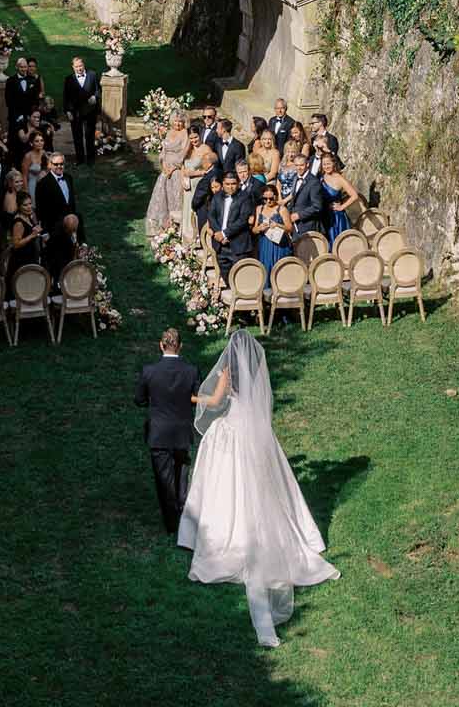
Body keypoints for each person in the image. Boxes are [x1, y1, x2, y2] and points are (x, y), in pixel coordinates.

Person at [179, 332, 339, 645]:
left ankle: (224, 530)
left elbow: (216, 400)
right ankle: (297, 534)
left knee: (223, 479)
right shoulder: (254, 371)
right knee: (265, 479)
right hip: (254, 431)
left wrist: (194, 398)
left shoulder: (227, 373)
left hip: (232, 428)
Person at [135, 328, 201, 536]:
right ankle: (183, 515)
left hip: (159, 433)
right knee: (181, 476)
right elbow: (197, 398)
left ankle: (172, 526)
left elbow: (139, 399)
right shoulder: (191, 371)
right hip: (182, 431)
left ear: (161, 345)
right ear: (180, 346)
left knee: (164, 481)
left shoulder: (149, 371)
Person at [35, 152, 83, 276]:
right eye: (56, 164)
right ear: (50, 165)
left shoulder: (68, 178)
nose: (59, 166)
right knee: (57, 259)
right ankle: (57, 284)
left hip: (70, 225)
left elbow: (71, 203)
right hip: (54, 228)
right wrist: (44, 232)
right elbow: (41, 210)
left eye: (61, 164)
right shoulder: (43, 184)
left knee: (72, 255)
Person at [145, 115, 190, 237]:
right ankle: (161, 224)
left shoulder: (185, 133)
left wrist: (173, 168)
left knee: (174, 196)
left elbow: (184, 153)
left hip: (176, 170)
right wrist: (164, 165)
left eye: (180, 121)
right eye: (176, 121)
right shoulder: (169, 132)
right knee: (162, 194)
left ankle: (175, 225)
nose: (178, 124)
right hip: (165, 168)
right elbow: (164, 150)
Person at [209, 171, 256, 277]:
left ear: (238, 183)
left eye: (233, 184)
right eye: (227, 184)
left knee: (241, 278)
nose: (230, 187)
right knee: (226, 277)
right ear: (223, 184)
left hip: (238, 246)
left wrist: (225, 233)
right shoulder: (217, 196)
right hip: (220, 246)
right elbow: (211, 216)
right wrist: (219, 234)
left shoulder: (245, 197)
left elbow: (242, 220)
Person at [255, 183, 291, 290]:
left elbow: (290, 228)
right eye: (265, 199)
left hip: (279, 245)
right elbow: (254, 229)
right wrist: (259, 228)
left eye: (271, 198)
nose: (268, 201)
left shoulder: (282, 209)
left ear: (275, 196)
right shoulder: (259, 209)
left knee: (279, 271)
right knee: (266, 269)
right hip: (264, 245)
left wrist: (278, 225)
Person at [321, 152, 358, 243]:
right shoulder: (321, 177)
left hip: (336, 218)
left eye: (328, 163)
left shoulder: (340, 179)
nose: (326, 166)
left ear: (334, 163)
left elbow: (354, 195)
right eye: (324, 164)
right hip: (323, 215)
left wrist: (341, 207)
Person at [5, 56, 37, 134]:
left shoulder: (32, 80)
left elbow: (35, 99)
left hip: (29, 117)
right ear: (17, 67)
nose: (23, 69)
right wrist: (18, 116)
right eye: (21, 67)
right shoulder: (11, 81)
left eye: (25, 67)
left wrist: (31, 115)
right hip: (15, 117)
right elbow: (9, 101)